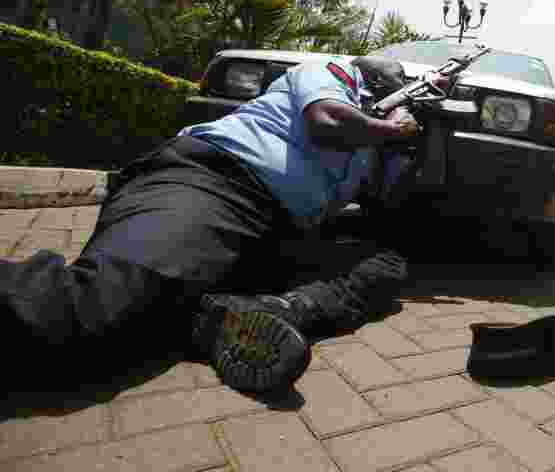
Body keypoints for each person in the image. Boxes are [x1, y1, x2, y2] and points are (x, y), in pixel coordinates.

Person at [0, 56, 430, 393]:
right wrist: (393, 132)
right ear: (369, 82)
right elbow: (327, 123)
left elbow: (391, 199)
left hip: (276, 230)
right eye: (394, 90)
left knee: (385, 266)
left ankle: (264, 311)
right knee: (93, 310)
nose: (397, 100)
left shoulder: (372, 140)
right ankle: (202, 315)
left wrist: (425, 133)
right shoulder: (332, 75)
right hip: (213, 183)